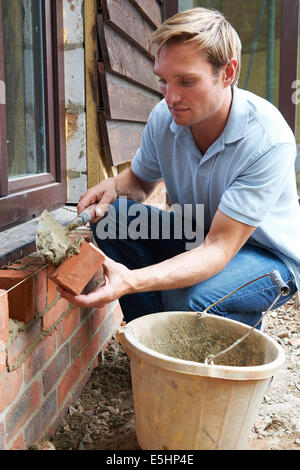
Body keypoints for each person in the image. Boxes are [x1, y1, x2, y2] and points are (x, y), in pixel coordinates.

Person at [58, 7, 300, 328]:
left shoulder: (266, 139)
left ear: (227, 73)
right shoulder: (166, 116)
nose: (171, 97)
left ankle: (234, 337)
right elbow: (141, 183)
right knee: (113, 219)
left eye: (186, 81)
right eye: (163, 81)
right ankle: (157, 344)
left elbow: (218, 249)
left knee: (190, 299)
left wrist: (131, 280)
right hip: (197, 232)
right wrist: (113, 186)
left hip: (266, 256)